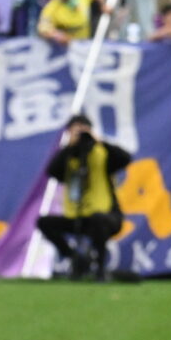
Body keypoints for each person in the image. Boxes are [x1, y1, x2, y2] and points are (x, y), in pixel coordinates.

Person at [37, 117, 129, 281]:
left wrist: (99, 141)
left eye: (83, 129)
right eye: (75, 129)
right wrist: (69, 147)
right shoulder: (68, 156)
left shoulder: (103, 153)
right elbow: (52, 171)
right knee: (44, 222)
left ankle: (100, 269)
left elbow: (125, 158)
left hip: (106, 216)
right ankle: (76, 258)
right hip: (77, 216)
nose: (80, 133)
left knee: (98, 220)